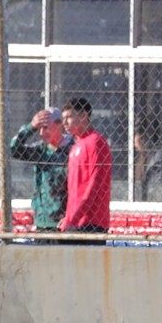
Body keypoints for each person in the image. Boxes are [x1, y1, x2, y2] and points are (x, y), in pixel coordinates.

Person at [10, 107, 74, 235]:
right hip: (42, 221)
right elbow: (14, 149)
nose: (41, 133)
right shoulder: (40, 150)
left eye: (45, 128)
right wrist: (30, 127)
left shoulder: (74, 149)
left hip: (65, 222)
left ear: (58, 125)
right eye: (39, 129)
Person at [58, 98, 112, 245]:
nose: (64, 123)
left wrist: (74, 220)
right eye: (63, 118)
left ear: (83, 115)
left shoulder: (96, 142)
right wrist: (69, 217)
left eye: (69, 117)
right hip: (74, 223)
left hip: (91, 223)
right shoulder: (76, 146)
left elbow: (95, 185)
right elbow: (74, 189)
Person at [133, 126, 162, 201]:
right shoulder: (139, 157)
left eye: (138, 141)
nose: (135, 146)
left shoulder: (159, 157)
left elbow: (157, 182)